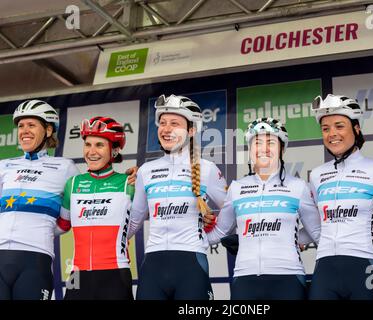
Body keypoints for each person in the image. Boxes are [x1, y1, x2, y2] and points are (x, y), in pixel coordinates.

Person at [206, 117, 321, 300]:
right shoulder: (237, 188)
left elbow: (318, 233)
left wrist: (291, 237)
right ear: (250, 150)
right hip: (245, 278)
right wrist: (191, 241)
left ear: (282, 149)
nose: (263, 149)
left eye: (271, 143)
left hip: (288, 277)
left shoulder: (298, 187)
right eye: (257, 143)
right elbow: (220, 231)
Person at [128, 94, 227, 300]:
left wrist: (210, 237)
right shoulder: (146, 170)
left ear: (191, 130)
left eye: (175, 123)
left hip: (191, 264)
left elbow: (234, 209)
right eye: (162, 123)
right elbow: (134, 221)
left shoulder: (207, 169)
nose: (166, 128)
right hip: (152, 265)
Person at [308, 94, 373, 300]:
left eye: (339, 126)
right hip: (325, 264)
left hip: (367, 263)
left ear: (356, 129)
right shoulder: (316, 175)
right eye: (325, 129)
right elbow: (316, 222)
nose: (332, 134)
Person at [0, 100, 79, 300]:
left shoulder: (65, 167)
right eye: (20, 125)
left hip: (35, 258)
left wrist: (42, 229)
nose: (24, 130)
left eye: (31, 125)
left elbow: (70, 218)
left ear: (49, 130)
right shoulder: (4, 165)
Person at [57, 116, 134, 300]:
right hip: (76, 274)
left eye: (99, 145)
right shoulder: (73, 183)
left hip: (115, 274)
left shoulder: (129, 183)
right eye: (88, 144)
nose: (91, 151)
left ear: (114, 150)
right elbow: (61, 225)